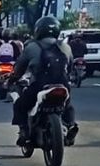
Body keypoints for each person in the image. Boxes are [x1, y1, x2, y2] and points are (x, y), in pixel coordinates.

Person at [9, 15, 78, 147]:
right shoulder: (66, 47)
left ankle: (24, 132)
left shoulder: (31, 47)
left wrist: (13, 80)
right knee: (68, 105)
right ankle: (70, 126)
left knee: (19, 105)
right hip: (63, 85)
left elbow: (20, 68)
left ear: (38, 30)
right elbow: (69, 68)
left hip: (39, 86)